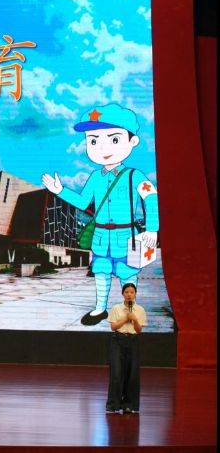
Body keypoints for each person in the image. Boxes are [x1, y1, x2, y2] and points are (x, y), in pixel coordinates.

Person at [42, 103, 159, 326]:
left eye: (114, 139)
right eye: (93, 141)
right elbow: (83, 202)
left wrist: (152, 228)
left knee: (127, 274)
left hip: (126, 236)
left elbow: (151, 197)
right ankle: (100, 309)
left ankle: (129, 310)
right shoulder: (95, 177)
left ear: (133, 141)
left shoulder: (134, 175)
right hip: (101, 236)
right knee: (101, 272)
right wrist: (60, 190)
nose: (102, 147)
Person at [106, 282, 147, 414]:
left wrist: (134, 319)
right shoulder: (116, 308)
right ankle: (114, 405)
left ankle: (129, 405)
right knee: (117, 373)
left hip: (133, 341)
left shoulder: (140, 310)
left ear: (135, 294)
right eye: (127, 292)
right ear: (122, 294)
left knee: (132, 373)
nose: (129, 294)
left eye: (132, 292)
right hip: (118, 340)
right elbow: (113, 327)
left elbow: (139, 330)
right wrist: (125, 318)